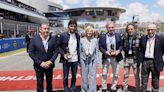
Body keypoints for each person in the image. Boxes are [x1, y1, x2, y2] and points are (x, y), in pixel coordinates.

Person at [28, 23, 58, 92]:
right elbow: (31, 52)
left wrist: (51, 61)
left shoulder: (53, 39)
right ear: (40, 30)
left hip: (49, 65)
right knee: (39, 83)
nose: (46, 30)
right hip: (39, 66)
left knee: (49, 83)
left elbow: (56, 51)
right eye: (44, 29)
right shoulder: (34, 39)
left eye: (48, 29)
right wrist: (40, 63)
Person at [139, 23, 164, 92]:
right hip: (145, 61)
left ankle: (155, 90)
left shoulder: (161, 39)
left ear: (155, 30)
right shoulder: (143, 38)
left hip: (155, 61)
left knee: (155, 80)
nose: (150, 31)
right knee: (144, 79)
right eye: (148, 30)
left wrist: (158, 57)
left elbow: (162, 50)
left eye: (152, 30)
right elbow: (141, 49)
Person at [99, 21, 123, 91]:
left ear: (114, 28)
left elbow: (121, 45)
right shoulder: (102, 36)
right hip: (106, 57)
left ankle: (113, 87)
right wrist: (105, 52)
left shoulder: (118, 35)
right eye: (109, 27)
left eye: (112, 27)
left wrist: (118, 51)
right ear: (107, 28)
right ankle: (104, 87)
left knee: (116, 74)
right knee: (104, 73)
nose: (111, 29)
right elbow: (100, 47)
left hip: (115, 57)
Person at [58, 20, 80, 92]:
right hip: (66, 59)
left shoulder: (77, 35)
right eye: (71, 26)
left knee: (74, 76)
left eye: (74, 26)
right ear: (68, 26)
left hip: (75, 59)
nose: (73, 28)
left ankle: (73, 88)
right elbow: (58, 46)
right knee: (66, 76)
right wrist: (63, 54)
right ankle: (66, 89)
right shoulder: (63, 35)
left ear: (76, 27)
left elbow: (78, 47)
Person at [80, 25, 100, 92]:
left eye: (91, 31)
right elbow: (80, 51)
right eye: (88, 31)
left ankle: (92, 90)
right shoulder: (82, 40)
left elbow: (97, 51)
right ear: (86, 32)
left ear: (92, 32)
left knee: (92, 76)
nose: (89, 32)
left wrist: (98, 61)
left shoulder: (95, 40)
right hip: (84, 60)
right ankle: (84, 90)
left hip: (93, 59)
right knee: (84, 76)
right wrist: (80, 61)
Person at [122, 24, 140, 92]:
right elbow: (123, 47)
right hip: (127, 59)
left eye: (131, 29)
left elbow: (141, 48)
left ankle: (137, 89)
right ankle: (125, 88)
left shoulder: (138, 37)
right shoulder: (125, 37)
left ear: (134, 29)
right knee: (125, 75)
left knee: (136, 75)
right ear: (127, 30)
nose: (130, 30)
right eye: (129, 29)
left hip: (135, 59)